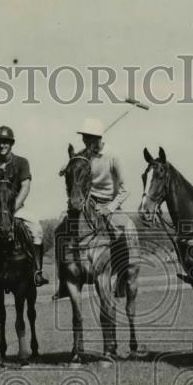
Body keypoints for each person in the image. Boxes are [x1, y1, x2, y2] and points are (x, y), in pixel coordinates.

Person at [52, 118, 139, 300]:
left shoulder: (113, 156)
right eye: (84, 138)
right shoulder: (86, 154)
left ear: (98, 138)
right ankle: (63, 283)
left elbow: (126, 188)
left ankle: (124, 275)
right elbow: (75, 166)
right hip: (87, 203)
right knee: (60, 229)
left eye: (88, 138)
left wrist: (110, 207)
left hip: (110, 203)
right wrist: (67, 166)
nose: (85, 142)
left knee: (127, 229)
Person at [0, 126, 48, 285]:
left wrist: (12, 208)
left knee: (37, 230)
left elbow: (26, 186)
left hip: (18, 209)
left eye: (5, 142)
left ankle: (37, 272)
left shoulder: (21, 162)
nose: (2, 145)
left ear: (11, 143)